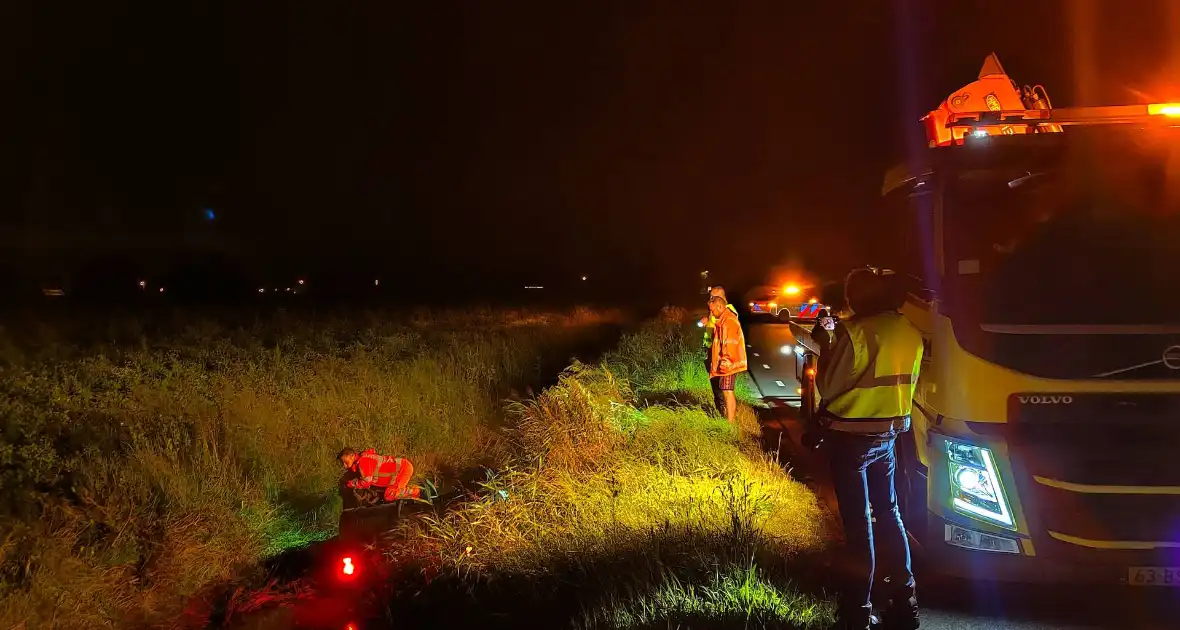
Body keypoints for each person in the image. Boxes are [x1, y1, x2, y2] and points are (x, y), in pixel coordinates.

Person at [811, 268, 922, 630]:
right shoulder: (909, 331)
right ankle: (905, 603)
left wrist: (826, 345)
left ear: (858, 297)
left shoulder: (854, 333)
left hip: (851, 438)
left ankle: (857, 612)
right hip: (888, 436)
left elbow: (828, 387)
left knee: (859, 526)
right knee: (890, 514)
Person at [707, 293, 747, 423]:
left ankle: (730, 423)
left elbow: (729, 344)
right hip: (727, 363)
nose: (711, 313)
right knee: (726, 391)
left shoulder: (728, 321)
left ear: (719, 306)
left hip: (728, 365)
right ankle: (729, 420)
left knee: (727, 391)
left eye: (712, 310)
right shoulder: (724, 320)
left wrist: (726, 362)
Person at [699, 286, 739, 417]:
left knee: (726, 389)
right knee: (717, 387)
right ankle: (721, 413)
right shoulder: (715, 310)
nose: (711, 299)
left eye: (713, 297)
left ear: (721, 298)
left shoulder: (728, 312)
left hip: (724, 356)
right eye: (710, 297)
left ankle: (728, 419)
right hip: (713, 352)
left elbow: (725, 332)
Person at [337, 447, 424, 505]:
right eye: (342, 463)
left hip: (402, 470)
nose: (344, 465)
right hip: (402, 468)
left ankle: (418, 492)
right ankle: (413, 493)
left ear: (352, 456)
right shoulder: (363, 458)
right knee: (390, 493)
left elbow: (366, 483)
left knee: (389, 495)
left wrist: (351, 484)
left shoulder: (363, 462)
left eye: (345, 462)